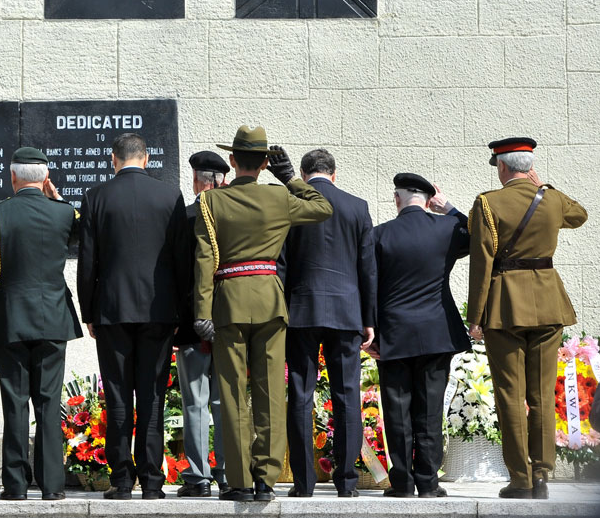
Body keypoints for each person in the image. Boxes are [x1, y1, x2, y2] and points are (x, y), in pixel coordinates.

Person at [192, 125, 332, 502]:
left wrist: (201, 310)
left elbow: (205, 260)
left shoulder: (211, 202)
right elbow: (323, 207)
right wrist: (288, 178)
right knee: (270, 392)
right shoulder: (279, 198)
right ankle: (266, 480)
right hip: (270, 302)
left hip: (229, 303)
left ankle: (237, 481)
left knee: (233, 394)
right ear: (265, 163)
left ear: (233, 161)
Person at [467, 137, 587, 500]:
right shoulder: (550, 198)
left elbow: (482, 262)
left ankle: (520, 479)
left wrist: (476, 316)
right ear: (529, 167)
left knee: (510, 394)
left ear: (502, 167)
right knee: (541, 394)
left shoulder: (488, 203)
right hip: (549, 303)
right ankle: (542, 474)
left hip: (505, 307)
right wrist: (544, 185)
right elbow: (579, 215)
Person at [77, 133, 190, 500]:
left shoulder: (97, 197)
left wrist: (89, 310)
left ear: (114, 159)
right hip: (159, 311)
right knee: (153, 394)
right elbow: (182, 259)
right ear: (146, 159)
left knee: (118, 394)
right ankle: (153, 481)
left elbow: (88, 261)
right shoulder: (169, 196)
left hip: (112, 310)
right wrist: (181, 312)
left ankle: (122, 480)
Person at [0, 147, 82, 501]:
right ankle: (53, 486)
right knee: (49, 405)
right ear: (45, 178)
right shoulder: (64, 213)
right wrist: (58, 197)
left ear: (13, 177)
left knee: (15, 403)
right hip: (52, 319)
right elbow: (81, 234)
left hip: (11, 320)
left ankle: (16, 485)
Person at [281, 149, 376, 498]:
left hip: (301, 312)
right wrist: (369, 319)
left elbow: (283, 263)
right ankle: (347, 481)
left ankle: (303, 483)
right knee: (347, 395)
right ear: (334, 174)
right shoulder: (357, 206)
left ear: (305, 175)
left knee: (301, 395)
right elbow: (368, 268)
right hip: (346, 313)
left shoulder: (293, 204)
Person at [369, 173, 471, 498]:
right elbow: (482, 235)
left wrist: (369, 332)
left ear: (396, 200)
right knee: (429, 411)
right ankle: (427, 483)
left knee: (397, 411)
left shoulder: (379, 235)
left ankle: (401, 483)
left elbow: (367, 286)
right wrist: (450, 209)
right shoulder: (446, 229)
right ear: (429, 200)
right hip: (436, 333)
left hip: (394, 335)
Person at [173, 150, 229, 497]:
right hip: (230, 323)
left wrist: (180, 325)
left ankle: (197, 477)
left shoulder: (187, 217)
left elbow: (179, 276)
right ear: (221, 181)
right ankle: (225, 472)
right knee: (225, 403)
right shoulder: (236, 215)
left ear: (197, 180)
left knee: (195, 402)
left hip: (193, 322)